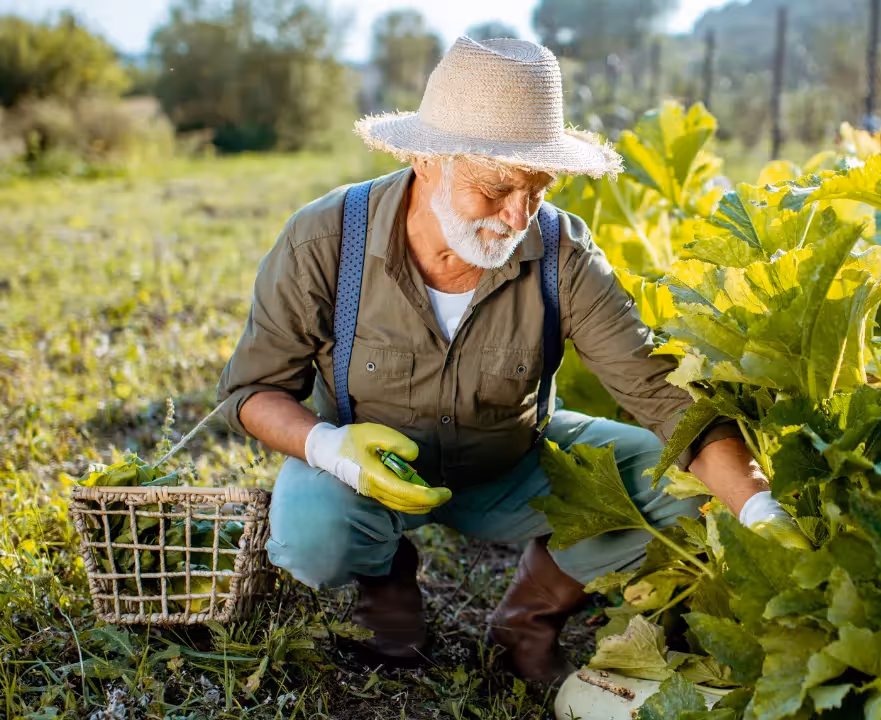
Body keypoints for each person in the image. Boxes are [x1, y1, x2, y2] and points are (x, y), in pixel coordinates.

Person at [215, 35, 808, 684]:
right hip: (365, 469)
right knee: (310, 532)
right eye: (496, 187)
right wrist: (332, 450)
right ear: (426, 159)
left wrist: (760, 512)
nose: (520, 213)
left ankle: (527, 616)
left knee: (679, 484)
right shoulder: (327, 238)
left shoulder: (563, 252)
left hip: (514, 461)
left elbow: (663, 396)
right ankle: (386, 582)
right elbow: (251, 392)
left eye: (539, 187)